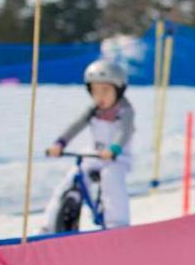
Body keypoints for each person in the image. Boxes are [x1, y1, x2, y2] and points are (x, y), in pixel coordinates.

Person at [40, 59, 135, 232]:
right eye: (95, 91)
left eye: (105, 90)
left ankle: (117, 225)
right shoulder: (93, 110)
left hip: (117, 157)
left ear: (119, 90)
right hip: (95, 154)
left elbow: (124, 132)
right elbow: (76, 126)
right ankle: (50, 223)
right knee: (71, 179)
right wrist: (60, 143)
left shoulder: (125, 111)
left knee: (111, 180)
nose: (100, 97)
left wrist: (114, 149)